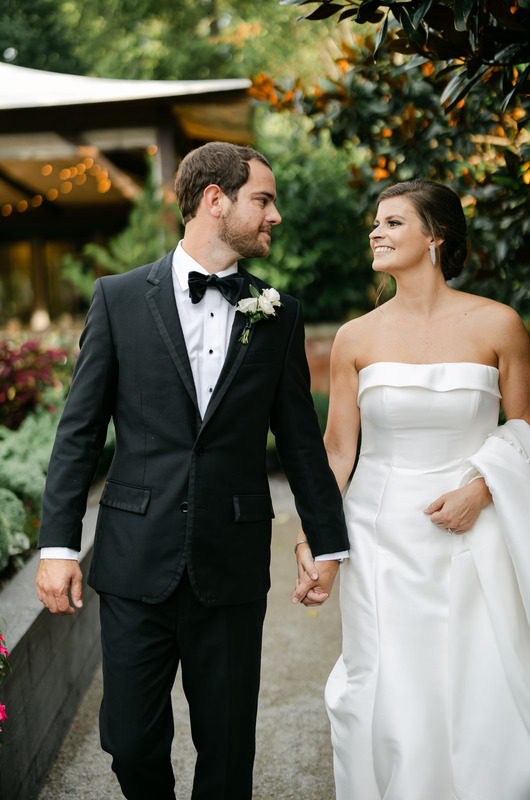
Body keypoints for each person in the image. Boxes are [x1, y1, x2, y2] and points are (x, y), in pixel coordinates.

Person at [36, 141, 349, 800]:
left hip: (230, 563)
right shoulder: (118, 299)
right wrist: (58, 545)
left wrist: (325, 542)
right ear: (215, 199)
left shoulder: (279, 314)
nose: (275, 216)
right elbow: (79, 433)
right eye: (263, 199)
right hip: (133, 560)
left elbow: (299, 443)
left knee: (228, 744)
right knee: (128, 739)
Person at [293, 179, 530, 799]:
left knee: (477, 676)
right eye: (376, 222)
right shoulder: (356, 337)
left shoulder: (500, 325)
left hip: (475, 529)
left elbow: (524, 429)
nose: (377, 232)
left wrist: (481, 488)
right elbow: (339, 450)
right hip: (382, 533)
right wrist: (315, 538)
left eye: (394, 222)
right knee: (392, 680)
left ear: (436, 237)